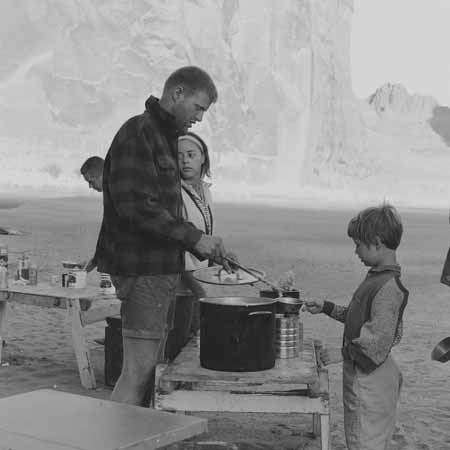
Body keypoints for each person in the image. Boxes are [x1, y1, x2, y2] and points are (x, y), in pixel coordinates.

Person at [95, 66, 234, 406]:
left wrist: (203, 245)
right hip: (143, 269)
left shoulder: (163, 136)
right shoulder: (138, 132)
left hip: (159, 270)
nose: (200, 118)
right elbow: (137, 208)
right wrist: (195, 239)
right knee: (138, 370)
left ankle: (132, 437)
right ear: (177, 94)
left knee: (150, 368)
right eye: (198, 108)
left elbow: (165, 211)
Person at [304, 203, 408, 450]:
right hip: (365, 372)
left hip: (372, 377)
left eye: (359, 244)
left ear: (377, 242)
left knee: (365, 439)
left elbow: (377, 341)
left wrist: (341, 354)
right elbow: (359, 319)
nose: (356, 251)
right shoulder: (377, 278)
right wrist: (327, 307)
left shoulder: (387, 287)